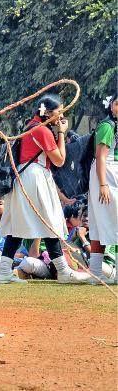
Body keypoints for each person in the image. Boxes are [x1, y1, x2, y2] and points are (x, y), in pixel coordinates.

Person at [0, 94, 89, 284]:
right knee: (50, 223)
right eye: (58, 111)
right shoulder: (41, 130)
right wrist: (62, 132)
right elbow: (59, 160)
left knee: (18, 225)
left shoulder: (31, 126)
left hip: (27, 177)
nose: (61, 116)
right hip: (34, 178)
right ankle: (63, 271)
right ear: (47, 112)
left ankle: (4, 270)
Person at [87, 95, 118, 284]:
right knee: (105, 222)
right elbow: (101, 156)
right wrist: (103, 184)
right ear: (111, 107)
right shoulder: (107, 126)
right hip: (106, 174)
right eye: (117, 104)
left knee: (102, 223)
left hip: (109, 173)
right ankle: (96, 272)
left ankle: (96, 273)